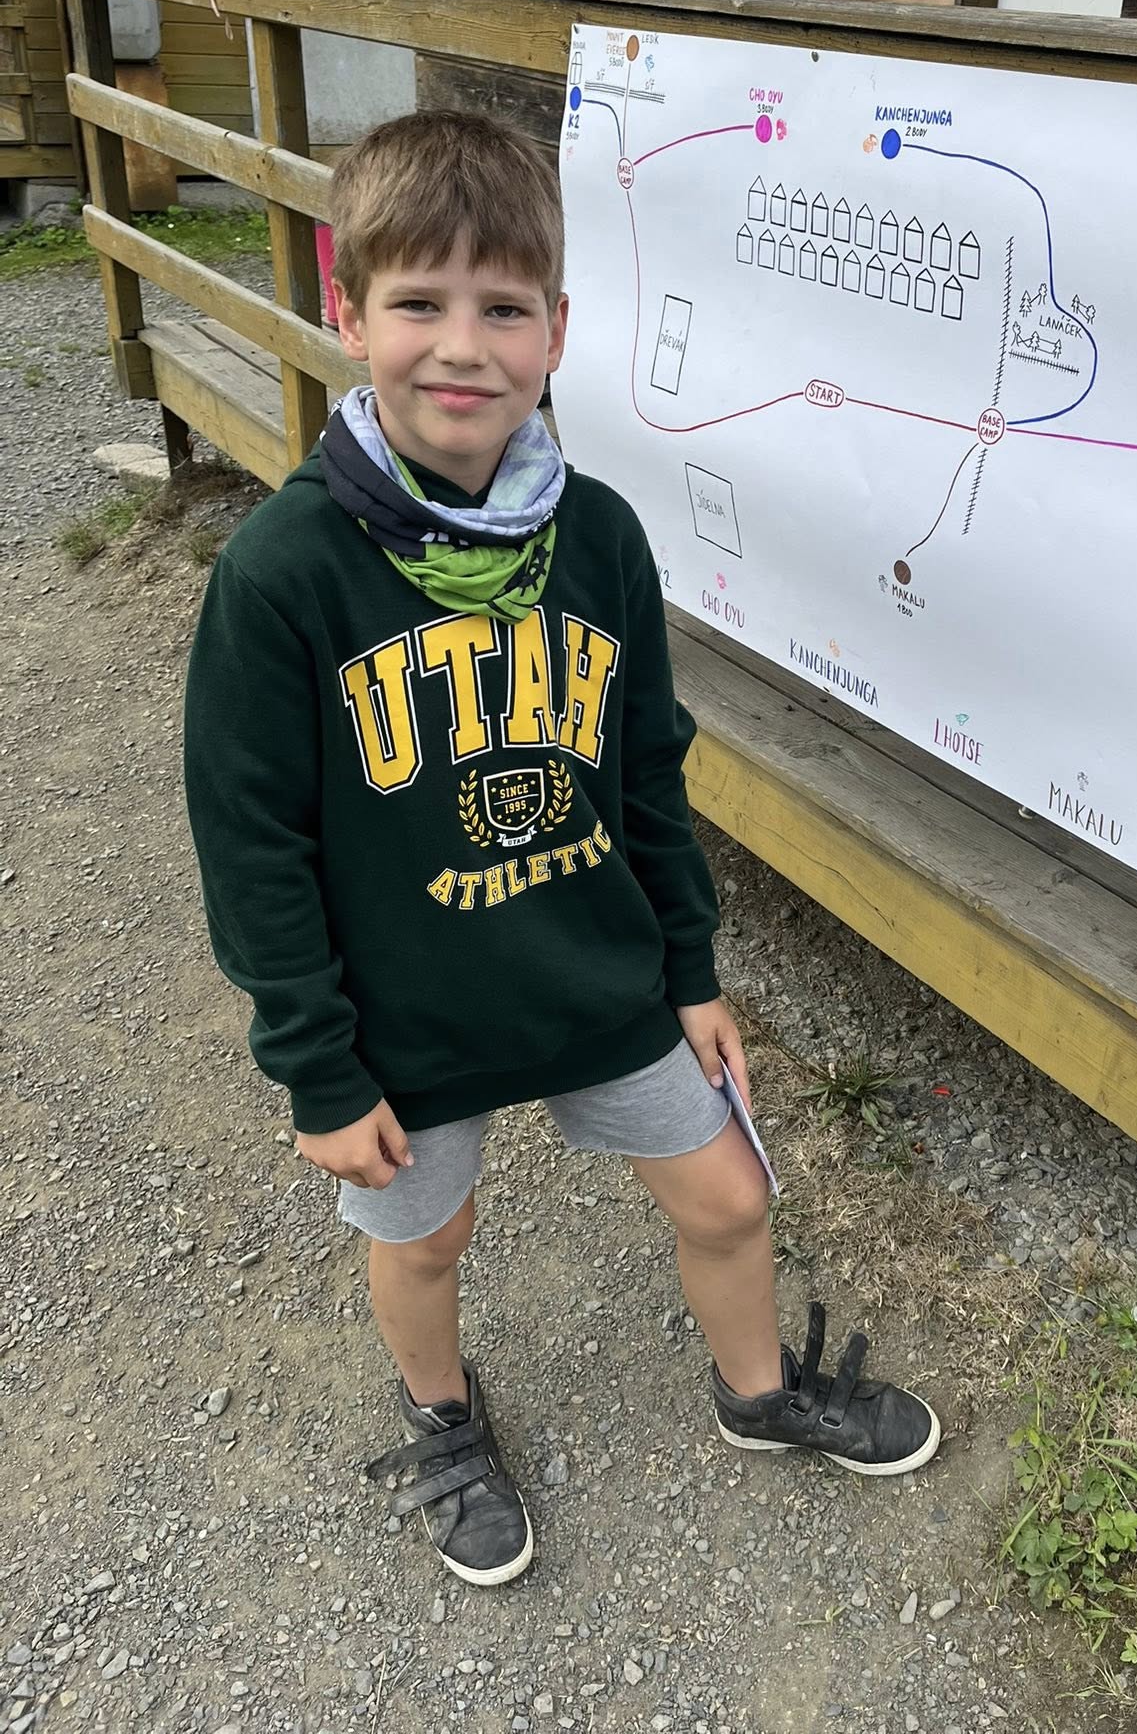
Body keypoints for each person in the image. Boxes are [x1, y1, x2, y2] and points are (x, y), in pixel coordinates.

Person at [183, 109, 940, 1588]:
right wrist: (318, 1067)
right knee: (427, 1241)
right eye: (419, 303)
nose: (461, 348)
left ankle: (757, 1391)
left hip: (594, 971)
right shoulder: (283, 573)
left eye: (504, 308)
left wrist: (690, 968)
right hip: (403, 1017)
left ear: (558, 332)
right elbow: (252, 841)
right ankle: (444, 1417)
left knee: (732, 1196)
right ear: (348, 312)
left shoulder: (596, 537)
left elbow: (648, 771)